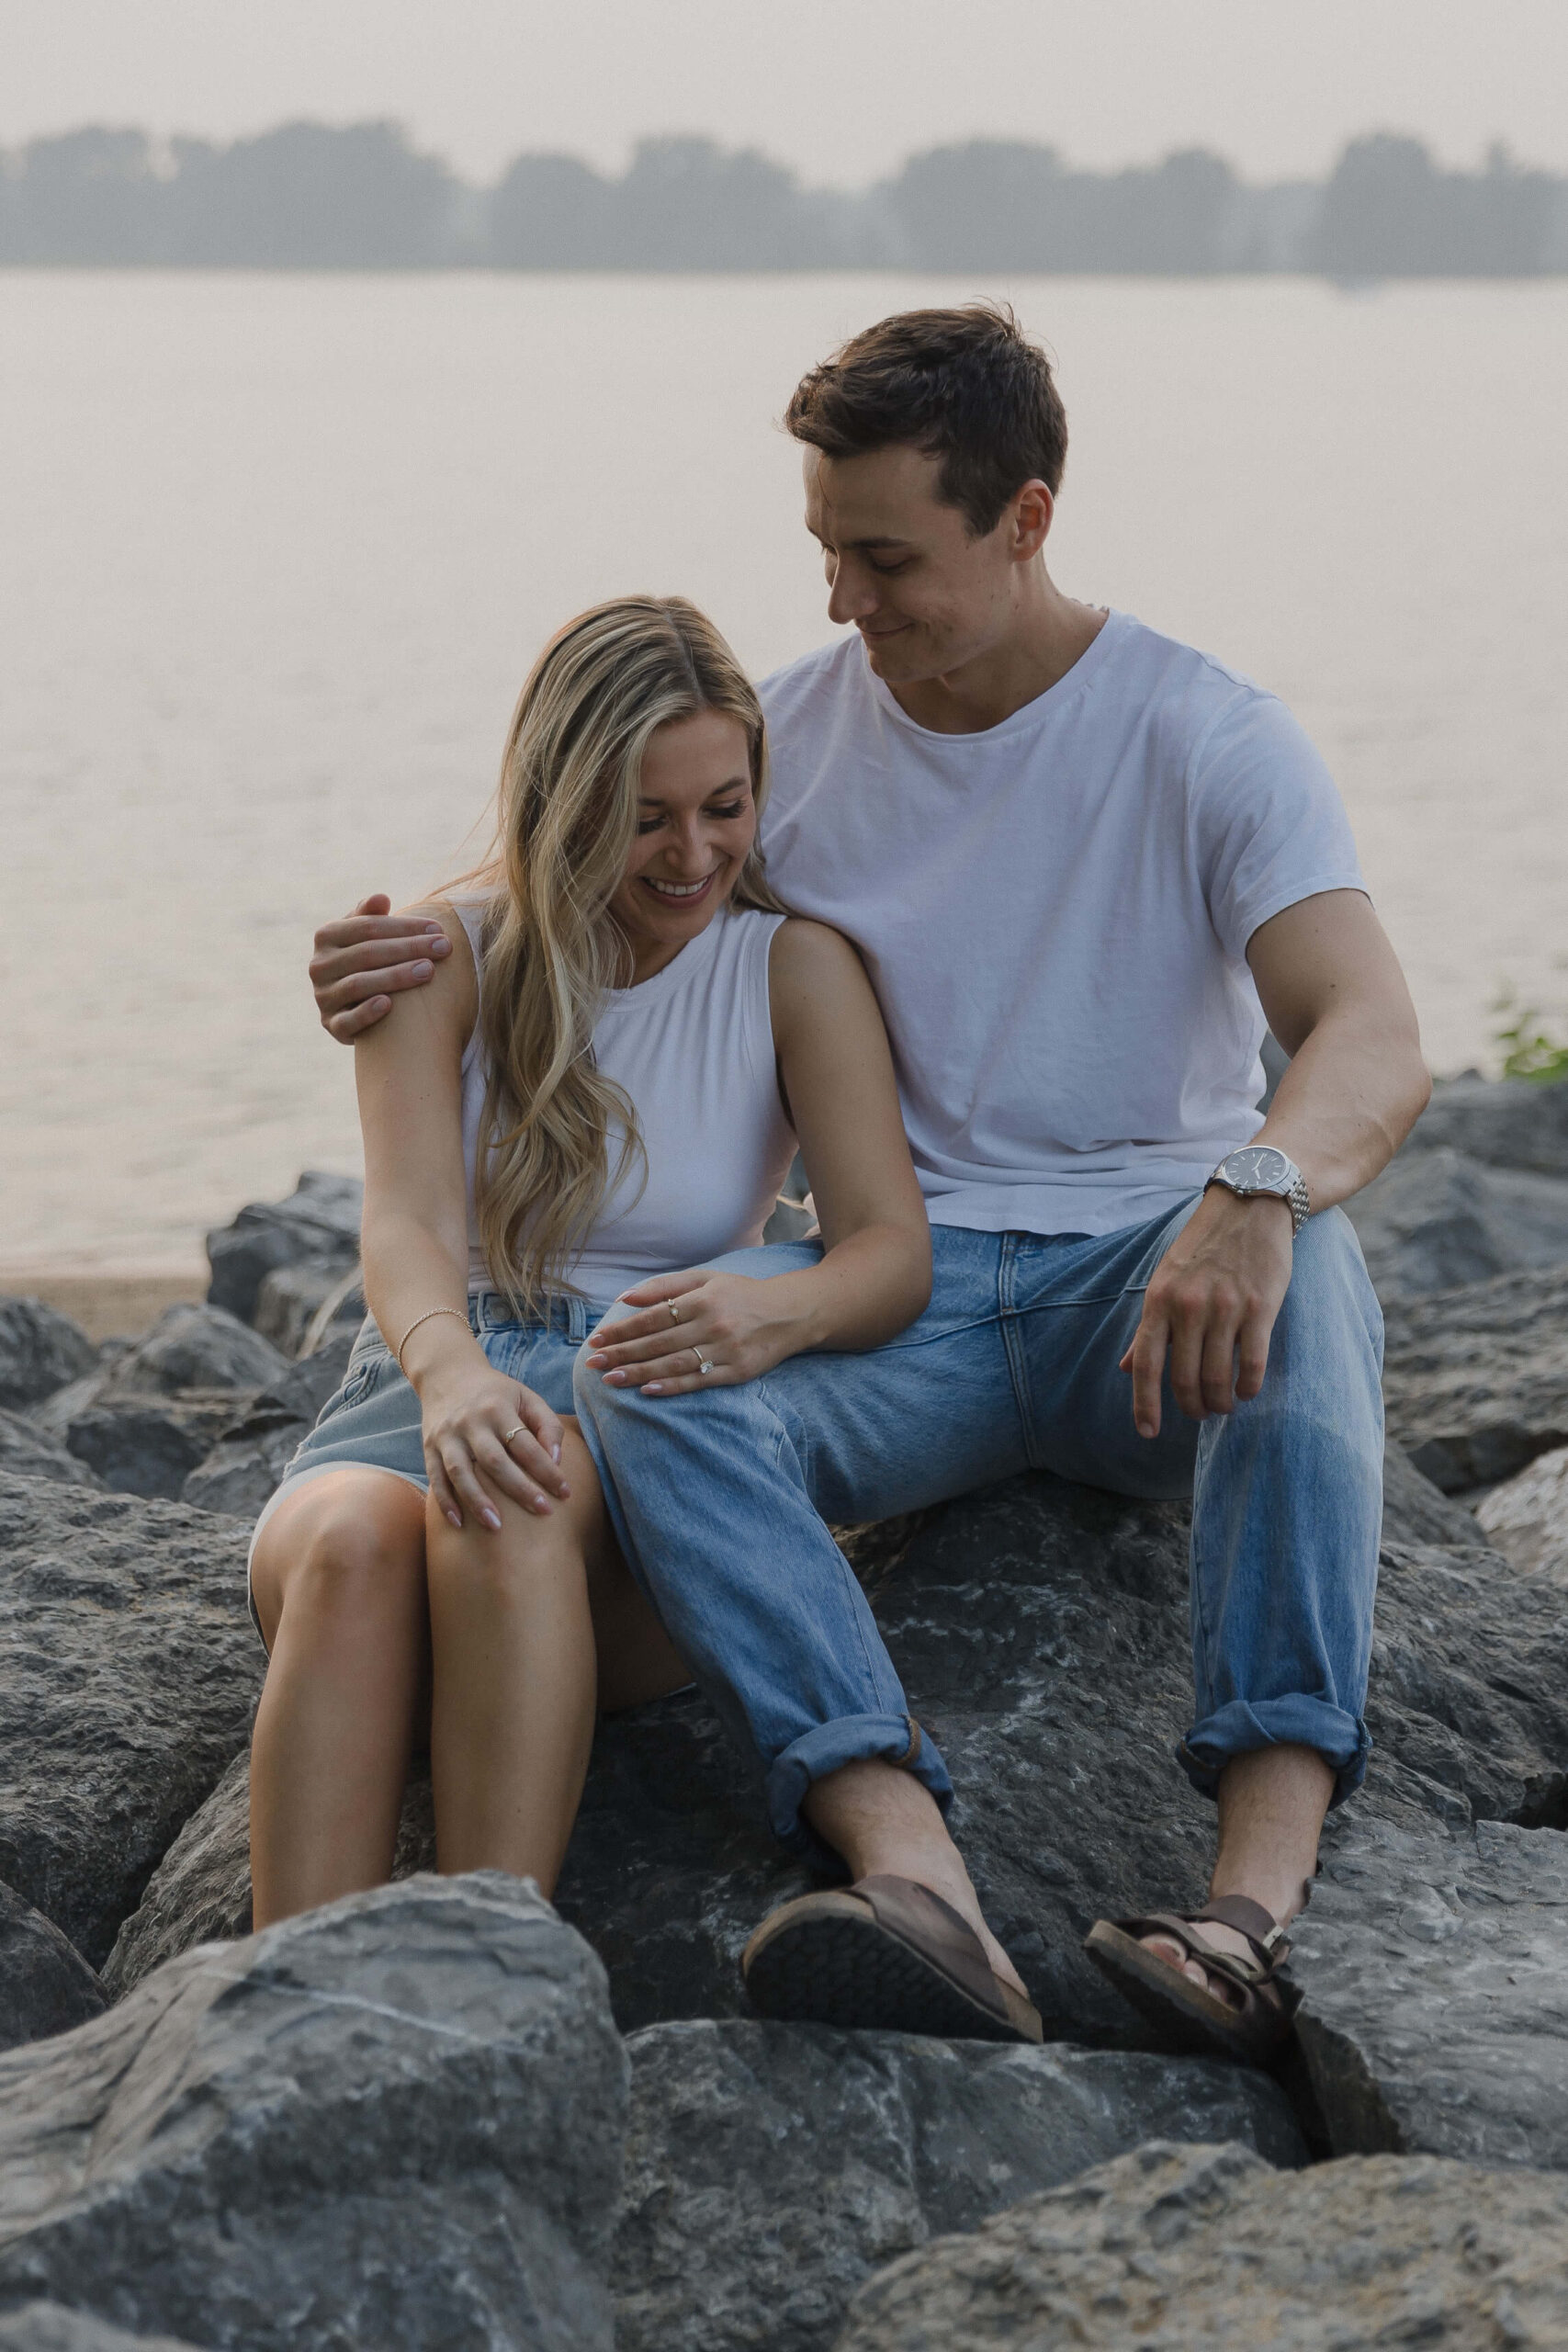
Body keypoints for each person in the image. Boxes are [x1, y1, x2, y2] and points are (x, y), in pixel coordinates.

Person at [307, 306, 1430, 2067]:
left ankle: (1247, 1912)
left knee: (1317, 1283)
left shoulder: (1207, 737)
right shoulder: (801, 742)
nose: (846, 603)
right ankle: (916, 1877)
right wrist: (400, 960)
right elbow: (611, 875)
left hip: (1147, 1286)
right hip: (915, 1306)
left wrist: (1261, 1186)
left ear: (1028, 518)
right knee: (651, 1363)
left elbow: (1371, 1029)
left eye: (888, 558)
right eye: (827, 553)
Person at [252, 591, 1041, 2044]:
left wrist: (779, 1317)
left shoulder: (791, 968)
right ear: (561, 802)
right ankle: (282, 2029)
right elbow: (408, 1226)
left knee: (517, 1496)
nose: (692, 856)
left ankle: (497, 1997)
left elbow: (889, 1254)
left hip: (640, 1424)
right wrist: (449, 1380)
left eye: (724, 808)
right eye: (645, 820)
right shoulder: (442, 958)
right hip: (428, 1379)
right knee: (365, 1539)